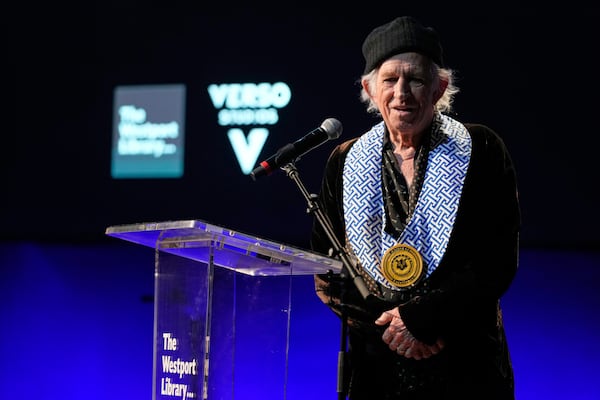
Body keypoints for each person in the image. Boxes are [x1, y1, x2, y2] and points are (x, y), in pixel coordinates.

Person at [310, 16, 520, 399]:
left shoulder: (482, 149)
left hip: (466, 362)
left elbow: (497, 261)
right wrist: (393, 330)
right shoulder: (343, 161)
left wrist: (422, 321)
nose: (402, 93)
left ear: (440, 88)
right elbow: (328, 272)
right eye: (390, 80)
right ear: (370, 90)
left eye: (416, 80)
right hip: (376, 366)